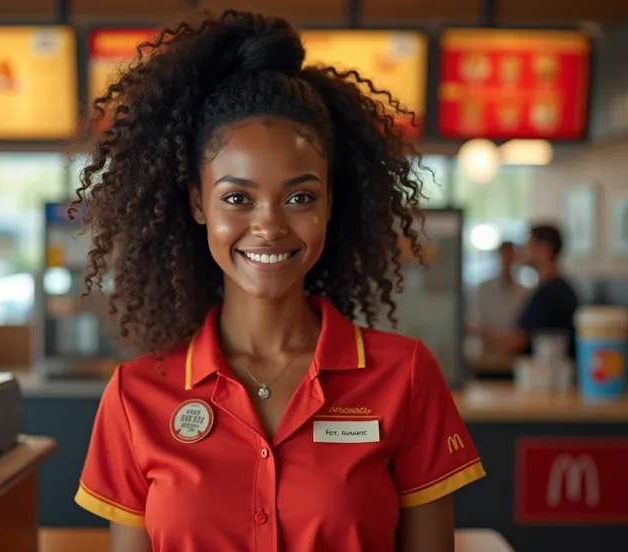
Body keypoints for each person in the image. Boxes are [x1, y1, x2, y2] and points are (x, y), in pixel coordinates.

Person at [72, 10, 485, 552]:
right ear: (199, 204)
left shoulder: (405, 378)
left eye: (299, 197)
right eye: (237, 198)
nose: (268, 225)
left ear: (331, 203)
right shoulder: (134, 396)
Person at [471, 224, 579, 357]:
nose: (522, 250)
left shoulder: (552, 293)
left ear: (545, 250)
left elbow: (517, 341)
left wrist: (475, 330)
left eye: (528, 245)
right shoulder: (546, 289)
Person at [467, 241, 530, 355]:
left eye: (510, 256)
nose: (507, 261)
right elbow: (473, 325)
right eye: (504, 256)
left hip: (514, 354)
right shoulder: (483, 289)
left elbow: (523, 333)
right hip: (487, 355)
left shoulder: (525, 292)